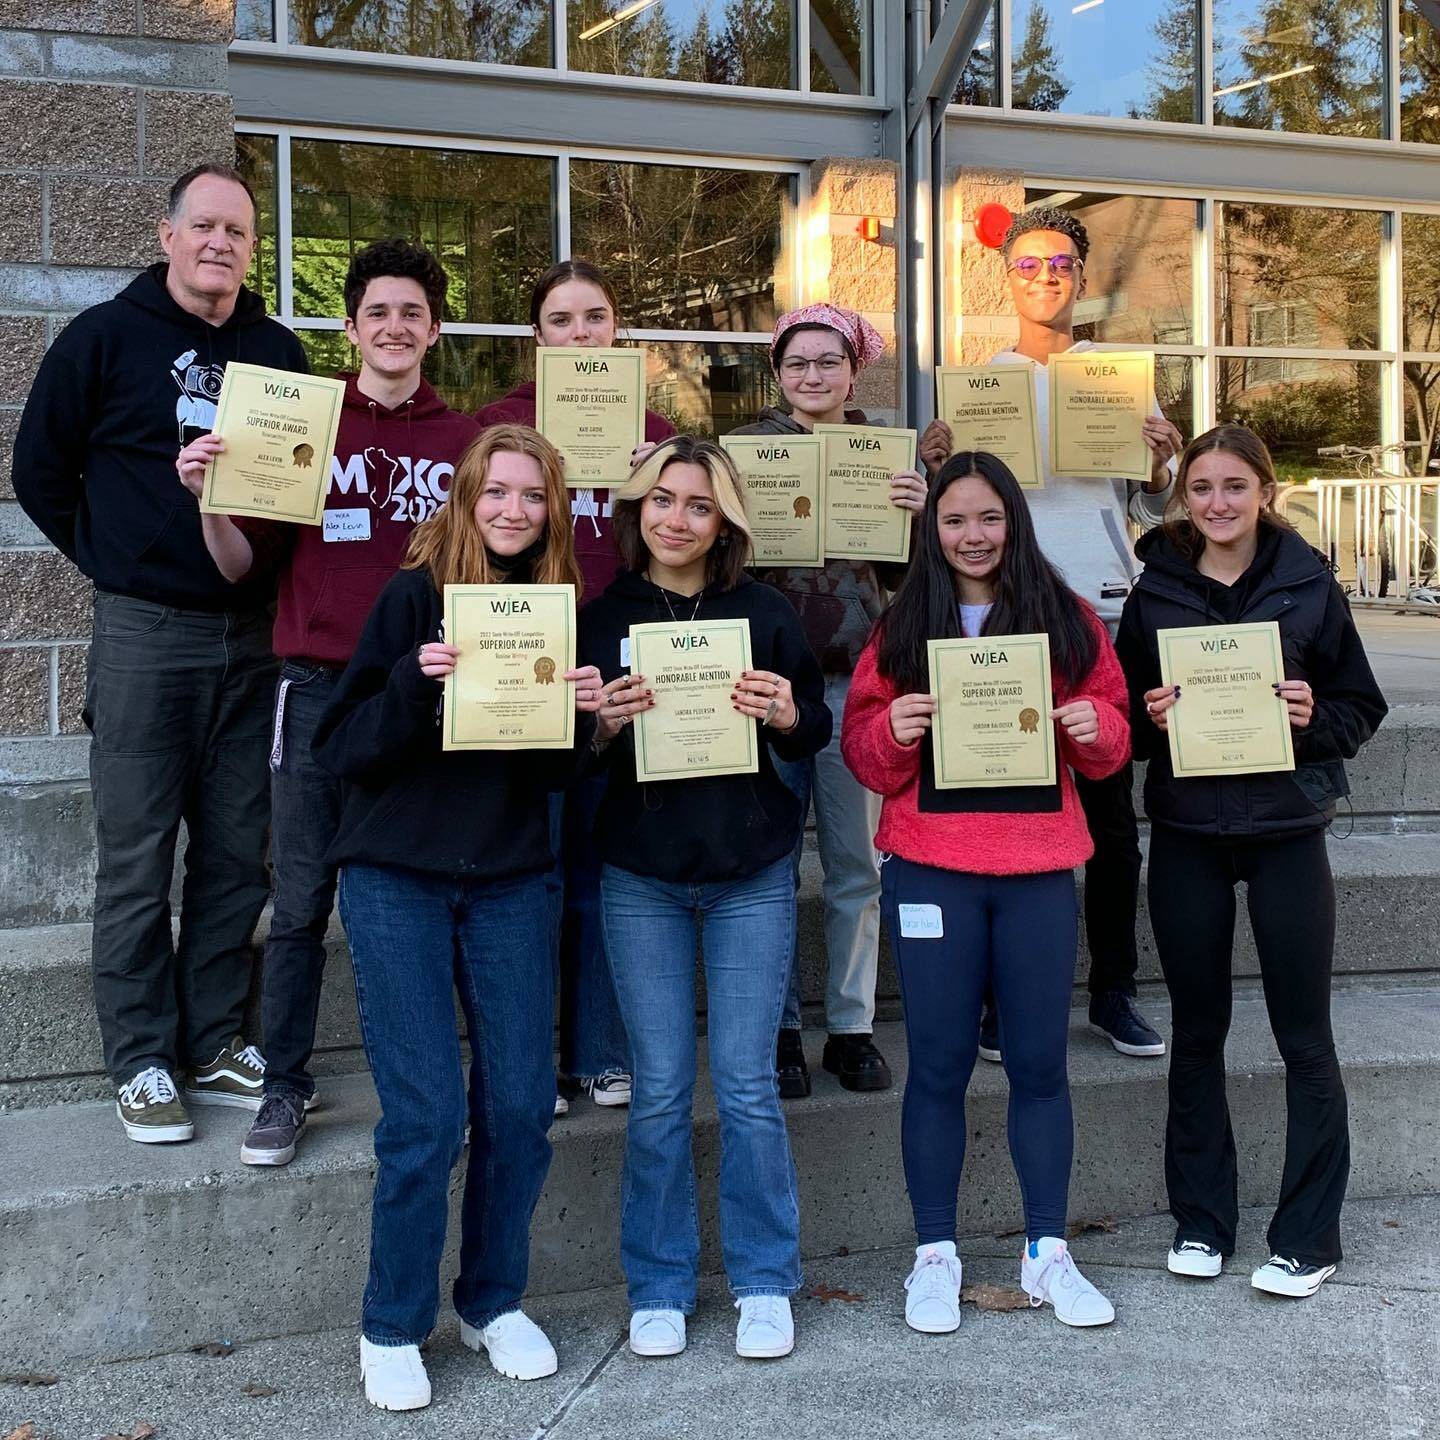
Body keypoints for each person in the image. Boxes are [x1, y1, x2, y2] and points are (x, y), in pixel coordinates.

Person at [312, 424, 607, 1410]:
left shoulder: (558, 613)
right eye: (499, 492)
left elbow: (559, 774)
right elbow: (341, 745)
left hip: (513, 877)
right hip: (398, 874)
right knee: (428, 1114)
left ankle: (489, 1301)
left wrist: (585, 718)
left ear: (553, 511)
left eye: (535, 496)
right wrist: (412, 680)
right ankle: (393, 1321)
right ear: (467, 499)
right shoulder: (411, 599)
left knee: (521, 1105)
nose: (515, 510)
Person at [12, 164, 308, 1144]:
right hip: (145, 633)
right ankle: (140, 1057)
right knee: (137, 858)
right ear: (168, 233)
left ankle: (215, 1037)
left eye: (238, 230)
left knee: (236, 855)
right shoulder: (102, 338)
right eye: (205, 226)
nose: (221, 242)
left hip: (255, 636)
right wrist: (117, 556)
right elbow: (39, 470)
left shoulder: (278, 351)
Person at [175, 237, 479, 1166]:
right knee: (302, 900)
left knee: (438, 893)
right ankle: (286, 1087)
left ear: (434, 330)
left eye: (413, 313)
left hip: (426, 693)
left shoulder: (463, 444)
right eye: (377, 312)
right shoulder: (304, 423)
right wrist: (208, 499)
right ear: (350, 327)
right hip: (313, 692)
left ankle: (437, 1087)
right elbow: (237, 566)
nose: (395, 326)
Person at [842, 451, 1130, 1334]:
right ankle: (935, 1257)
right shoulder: (900, 629)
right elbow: (861, 749)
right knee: (937, 1067)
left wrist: (1095, 726)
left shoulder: (1069, 620)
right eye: (956, 520)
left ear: (1016, 521)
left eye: (990, 518)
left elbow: (1112, 740)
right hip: (933, 870)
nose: (974, 536)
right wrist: (889, 728)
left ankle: (1047, 1251)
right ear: (932, 529)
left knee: (1040, 1066)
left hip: (1037, 870)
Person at [1116, 424, 1386, 1299]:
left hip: (1287, 832)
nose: (1218, 504)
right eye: (1201, 488)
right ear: (1181, 497)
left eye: (1235, 486)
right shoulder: (1153, 591)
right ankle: (1202, 1224)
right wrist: (1149, 717)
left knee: (1304, 1036)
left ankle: (1308, 1237)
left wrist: (1315, 716)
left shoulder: (1309, 583)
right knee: (1197, 1035)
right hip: (1190, 833)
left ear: (1265, 491)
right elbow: (1118, 721)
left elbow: (1360, 704)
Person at [578, 436, 830, 1362]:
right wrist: (598, 728)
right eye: (661, 501)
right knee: (658, 1093)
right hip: (640, 875)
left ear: (724, 522)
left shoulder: (764, 612)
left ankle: (765, 1279)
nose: (676, 519)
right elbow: (569, 761)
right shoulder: (601, 618)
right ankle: (659, 1284)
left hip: (749, 875)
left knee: (749, 1085)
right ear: (636, 510)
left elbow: (814, 729)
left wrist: (788, 712)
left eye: (697, 505)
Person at [920, 205, 1183, 1062]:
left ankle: (1113, 990)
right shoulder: (972, 383)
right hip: (999, 617)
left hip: (1102, 611)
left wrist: (1160, 463)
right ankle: (999, 1002)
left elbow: (1146, 506)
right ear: (1007, 276)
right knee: (1003, 804)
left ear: (1080, 273)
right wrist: (935, 467)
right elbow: (955, 514)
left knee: (1111, 820)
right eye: (1029, 265)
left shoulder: (1118, 377)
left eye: (1060, 264)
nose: (1045, 278)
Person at [477, 258, 676, 1114]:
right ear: (537, 336)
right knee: (533, 873)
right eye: (561, 320)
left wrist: (651, 483)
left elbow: (682, 544)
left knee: (602, 868)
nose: (580, 334)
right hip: (525, 664)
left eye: (595, 318)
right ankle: (529, 1061)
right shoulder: (498, 426)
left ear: (618, 330)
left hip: (622, 666)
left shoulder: (656, 430)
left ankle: (596, 1050)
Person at [731, 304, 927, 1099]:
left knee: (857, 865)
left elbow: (914, 581)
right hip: (766, 684)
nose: (812, 375)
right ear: (777, 373)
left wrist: (920, 517)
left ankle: (850, 1027)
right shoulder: (741, 451)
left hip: (856, 682)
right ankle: (777, 1028)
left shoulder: (886, 453)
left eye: (827, 361)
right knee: (769, 865)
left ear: (854, 369)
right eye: (796, 363)